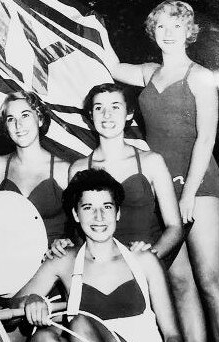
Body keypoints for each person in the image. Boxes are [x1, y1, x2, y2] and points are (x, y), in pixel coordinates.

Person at [103, 1, 219, 340]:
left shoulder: (199, 77)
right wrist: (91, 23)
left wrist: (188, 195)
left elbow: (206, 138)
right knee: (179, 280)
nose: (168, 33)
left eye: (176, 26)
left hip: (198, 183)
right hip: (162, 184)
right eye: (161, 26)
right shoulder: (147, 72)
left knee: (210, 279)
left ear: (189, 32)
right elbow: (109, 65)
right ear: (154, 32)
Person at [13, 168, 181, 342]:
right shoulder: (64, 260)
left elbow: (172, 335)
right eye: (88, 208)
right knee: (44, 338)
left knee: (80, 323)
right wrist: (30, 300)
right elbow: (6, 315)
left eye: (106, 207)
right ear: (76, 215)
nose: (98, 217)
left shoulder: (143, 260)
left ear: (118, 213)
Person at [49, 83, 184, 263]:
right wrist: (64, 242)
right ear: (90, 115)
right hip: (98, 268)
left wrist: (150, 258)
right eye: (99, 108)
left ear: (129, 114)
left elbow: (175, 227)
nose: (107, 115)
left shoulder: (151, 161)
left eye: (115, 107)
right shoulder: (79, 168)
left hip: (144, 264)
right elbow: (77, 230)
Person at [0, 91, 70, 246]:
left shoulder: (64, 171)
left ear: (40, 119)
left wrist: (67, 243)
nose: (18, 125)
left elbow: (82, 226)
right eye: (10, 119)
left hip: (52, 262)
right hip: (7, 259)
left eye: (25, 115)